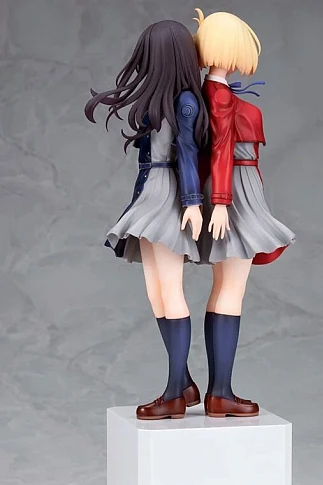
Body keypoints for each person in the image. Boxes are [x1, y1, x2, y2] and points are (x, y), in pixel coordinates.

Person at [85, 20, 208, 420]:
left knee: (170, 291)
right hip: (149, 194)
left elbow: (187, 153)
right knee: (156, 293)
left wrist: (192, 202)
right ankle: (183, 382)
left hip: (168, 198)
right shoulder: (162, 99)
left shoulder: (185, 102)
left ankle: (174, 393)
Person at [194, 9, 296, 417]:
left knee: (225, 288)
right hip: (235, 190)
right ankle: (220, 392)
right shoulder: (218, 97)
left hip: (235, 187)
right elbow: (220, 147)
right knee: (231, 289)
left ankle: (219, 390)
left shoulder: (209, 92)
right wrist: (221, 201)